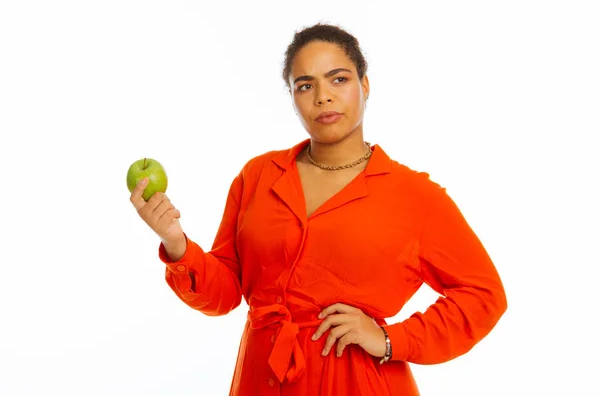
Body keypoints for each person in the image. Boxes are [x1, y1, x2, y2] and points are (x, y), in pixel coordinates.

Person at [129, 23, 507, 396]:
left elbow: (484, 295)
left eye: (338, 79)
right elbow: (225, 293)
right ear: (292, 97)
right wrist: (176, 243)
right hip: (262, 378)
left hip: (358, 380)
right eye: (305, 85)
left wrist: (392, 339)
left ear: (365, 85)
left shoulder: (414, 195)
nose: (322, 97)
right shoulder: (258, 175)